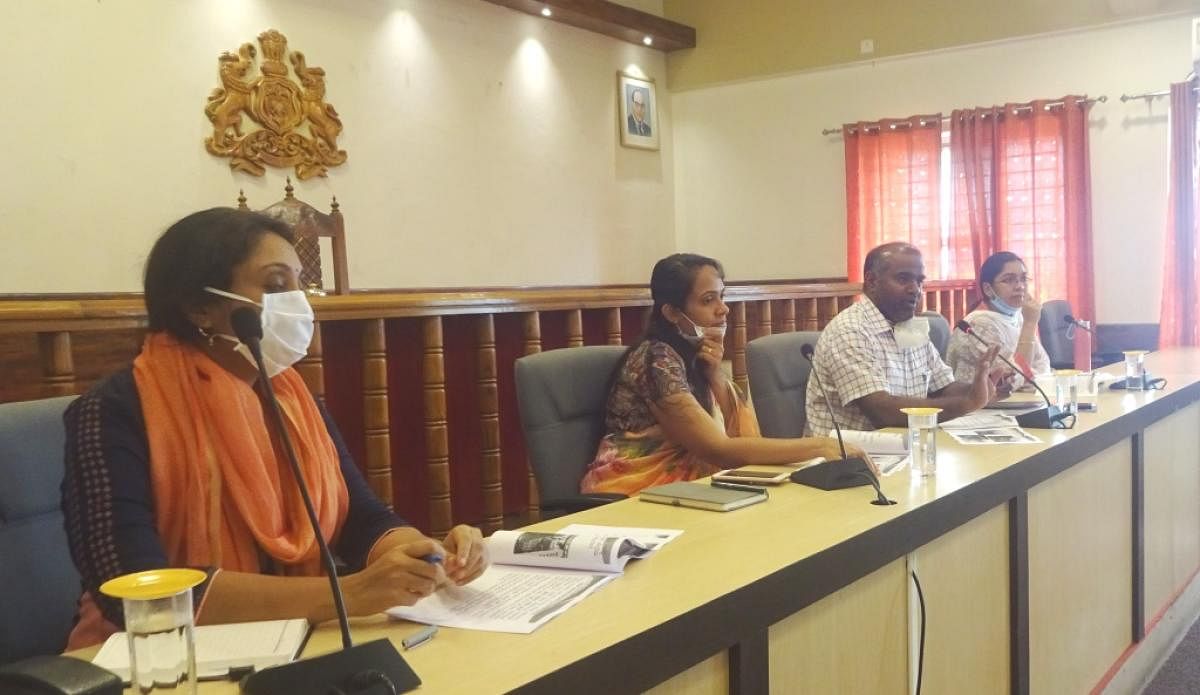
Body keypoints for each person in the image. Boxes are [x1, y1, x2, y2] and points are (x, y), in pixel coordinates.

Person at [61, 208, 488, 649]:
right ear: (199, 307)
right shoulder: (111, 410)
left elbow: (360, 517)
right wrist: (350, 594)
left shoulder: (293, 399)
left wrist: (422, 555)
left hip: (297, 640)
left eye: (300, 284)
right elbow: (133, 588)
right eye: (275, 285)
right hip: (155, 661)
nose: (298, 303)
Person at [580, 253, 862, 496]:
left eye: (722, 296)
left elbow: (745, 435)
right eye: (708, 300)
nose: (723, 309)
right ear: (672, 312)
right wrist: (820, 446)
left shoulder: (695, 355)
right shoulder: (656, 360)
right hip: (637, 493)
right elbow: (718, 449)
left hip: (690, 489)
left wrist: (715, 376)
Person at [805, 242, 1000, 434]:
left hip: (903, 447)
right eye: (903, 279)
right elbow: (882, 412)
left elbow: (943, 388)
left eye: (919, 281)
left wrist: (979, 388)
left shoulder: (910, 326)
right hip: (846, 458)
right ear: (872, 281)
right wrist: (967, 403)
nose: (915, 289)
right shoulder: (850, 331)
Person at [946, 251, 1050, 390]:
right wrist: (1030, 324)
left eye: (1023, 279)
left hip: (1020, 403)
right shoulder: (978, 325)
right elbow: (1012, 379)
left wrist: (1032, 377)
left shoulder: (1018, 315)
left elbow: (1042, 365)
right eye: (1008, 280)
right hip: (984, 408)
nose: (1020, 286)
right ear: (988, 289)